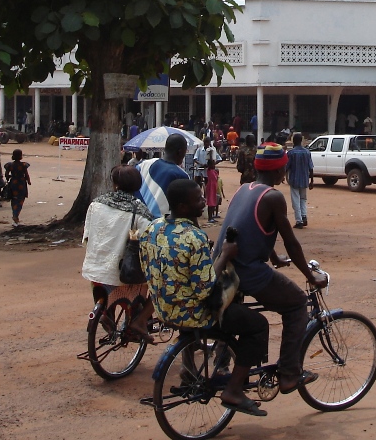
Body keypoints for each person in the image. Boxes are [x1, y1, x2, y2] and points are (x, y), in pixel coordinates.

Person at [141, 178, 270, 417]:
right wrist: (224, 255)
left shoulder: (153, 227)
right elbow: (205, 288)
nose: (204, 202)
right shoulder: (194, 237)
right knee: (258, 326)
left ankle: (191, 372)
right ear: (182, 207)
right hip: (195, 312)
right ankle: (234, 389)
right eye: (198, 200)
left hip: (165, 308)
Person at [215, 142, 328, 397]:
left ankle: (223, 364)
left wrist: (274, 257)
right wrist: (309, 276)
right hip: (247, 271)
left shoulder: (244, 189)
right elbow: (291, 240)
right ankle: (289, 373)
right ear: (280, 172)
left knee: (240, 317)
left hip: (225, 268)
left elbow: (250, 229)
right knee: (297, 304)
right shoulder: (273, 197)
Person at [83, 166, 155, 343]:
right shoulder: (139, 210)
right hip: (123, 273)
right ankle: (136, 322)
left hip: (95, 268)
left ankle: (104, 314)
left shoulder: (96, 203)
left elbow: (87, 236)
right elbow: (149, 241)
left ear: (114, 184)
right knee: (153, 286)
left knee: (100, 287)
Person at [136, 133, 189, 218]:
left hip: (135, 220)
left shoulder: (142, 165)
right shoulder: (181, 175)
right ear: (180, 151)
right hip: (159, 225)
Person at [286, 132, 313, 229]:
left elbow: (286, 167)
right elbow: (311, 167)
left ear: (293, 141)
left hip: (294, 180)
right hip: (305, 179)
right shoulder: (307, 152)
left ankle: (299, 221)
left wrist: (282, 177)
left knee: (295, 201)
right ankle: (304, 216)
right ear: (301, 141)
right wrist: (312, 181)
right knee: (303, 199)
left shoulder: (291, 153)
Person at [3, 148, 32, 225]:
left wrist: (9, 177)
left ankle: (14, 214)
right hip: (21, 184)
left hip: (13, 183)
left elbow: (6, 174)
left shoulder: (10, 165)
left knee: (14, 199)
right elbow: (26, 174)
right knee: (20, 199)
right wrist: (28, 181)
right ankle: (16, 215)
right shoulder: (23, 165)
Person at [205, 156, 223, 222]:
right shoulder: (209, 171)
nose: (214, 165)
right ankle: (210, 218)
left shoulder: (213, 171)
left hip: (213, 188)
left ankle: (211, 217)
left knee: (213, 203)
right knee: (210, 202)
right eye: (213, 164)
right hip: (210, 188)